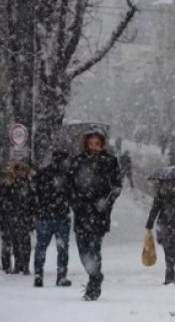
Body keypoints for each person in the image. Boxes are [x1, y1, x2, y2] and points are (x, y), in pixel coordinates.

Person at [68, 129, 121, 301]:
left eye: (97, 144)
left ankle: (93, 283)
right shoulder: (77, 161)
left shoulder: (110, 162)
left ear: (102, 144)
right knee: (83, 251)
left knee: (94, 248)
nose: (94, 147)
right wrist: (76, 203)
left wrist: (106, 202)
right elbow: (69, 187)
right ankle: (95, 275)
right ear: (85, 144)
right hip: (81, 213)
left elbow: (117, 186)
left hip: (99, 213)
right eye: (90, 144)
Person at [32, 150, 73, 287]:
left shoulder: (42, 174)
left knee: (41, 246)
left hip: (44, 216)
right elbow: (72, 195)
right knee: (62, 248)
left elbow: (34, 192)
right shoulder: (67, 176)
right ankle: (61, 276)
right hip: (61, 216)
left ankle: (38, 274)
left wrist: (38, 208)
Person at [145, 180, 175, 285]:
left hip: (164, 222)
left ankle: (169, 271)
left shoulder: (162, 191)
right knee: (172, 248)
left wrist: (150, 223)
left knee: (168, 248)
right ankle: (170, 271)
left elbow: (155, 208)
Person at [0, 161, 36, 275]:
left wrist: (32, 214)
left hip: (23, 216)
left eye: (22, 171)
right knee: (16, 241)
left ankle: (24, 265)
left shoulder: (28, 183)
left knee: (24, 242)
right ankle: (19, 264)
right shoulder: (9, 184)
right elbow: (1, 199)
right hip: (13, 216)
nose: (20, 173)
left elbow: (33, 201)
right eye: (18, 171)